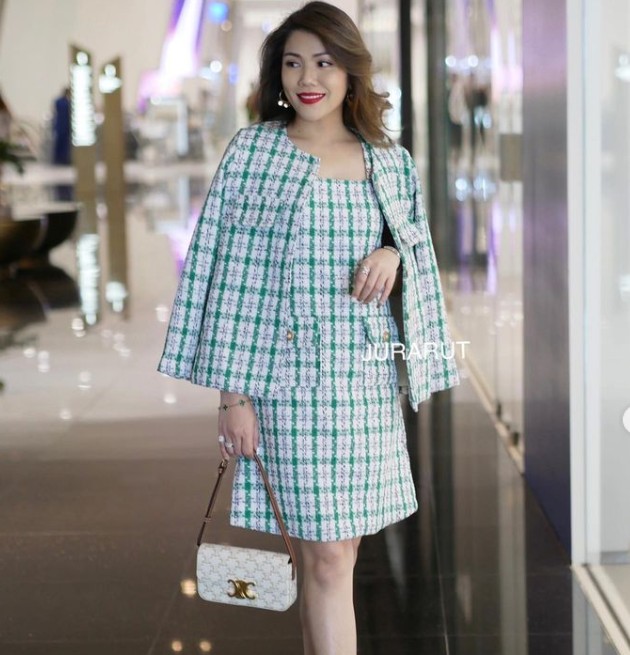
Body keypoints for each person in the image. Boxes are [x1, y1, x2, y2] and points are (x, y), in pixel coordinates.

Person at [158, 2, 459, 653]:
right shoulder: (255, 153)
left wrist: (392, 253)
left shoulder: (388, 160)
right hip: (285, 382)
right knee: (324, 557)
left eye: (323, 62)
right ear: (278, 74)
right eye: (293, 63)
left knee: (337, 553)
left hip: (364, 383)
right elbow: (229, 278)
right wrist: (233, 397)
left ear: (351, 71)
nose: (307, 78)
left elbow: (415, 245)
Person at [52, 87, 71, 165]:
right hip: (63, 125)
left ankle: (60, 159)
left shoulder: (59, 102)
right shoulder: (65, 102)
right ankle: (61, 159)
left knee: (62, 144)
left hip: (62, 125)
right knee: (62, 144)